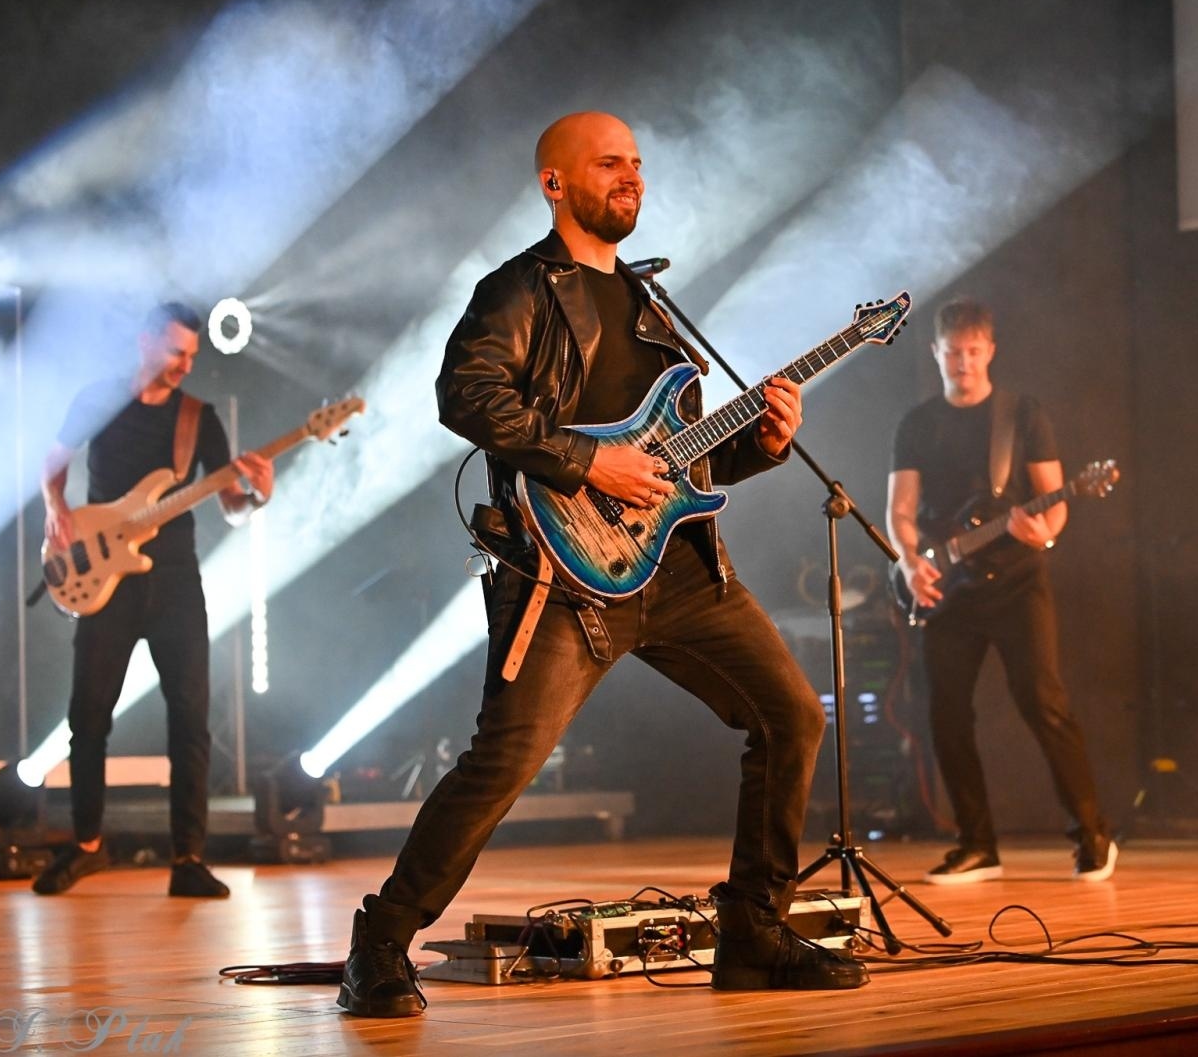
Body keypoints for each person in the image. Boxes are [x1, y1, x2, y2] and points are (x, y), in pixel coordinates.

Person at [338, 111, 867, 1018]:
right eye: (609, 163)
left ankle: (751, 933)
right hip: (565, 570)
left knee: (789, 717)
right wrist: (587, 463)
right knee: (502, 762)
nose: (632, 177)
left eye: (637, 164)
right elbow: (464, 393)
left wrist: (766, 442)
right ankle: (379, 945)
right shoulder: (518, 291)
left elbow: (683, 465)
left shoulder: (657, 311)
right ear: (555, 183)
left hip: (681, 566)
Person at [32, 302, 274, 898]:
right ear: (144, 342)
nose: (184, 365)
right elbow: (52, 464)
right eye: (175, 352)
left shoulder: (199, 417)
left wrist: (257, 496)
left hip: (174, 585)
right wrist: (55, 513)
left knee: (191, 721)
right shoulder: (99, 399)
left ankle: (188, 858)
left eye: (192, 355)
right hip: (105, 579)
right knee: (87, 717)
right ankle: (87, 845)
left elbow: (231, 509)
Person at [886, 298, 1116, 885]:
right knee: (946, 716)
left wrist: (1044, 533)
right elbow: (901, 510)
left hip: (1016, 583)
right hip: (945, 589)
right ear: (936, 353)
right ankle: (976, 844)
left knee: (1044, 703)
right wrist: (911, 564)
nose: (963, 362)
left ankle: (1092, 836)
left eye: (973, 351)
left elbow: (1054, 499)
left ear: (990, 351)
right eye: (953, 353)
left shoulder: (1022, 415)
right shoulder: (916, 422)